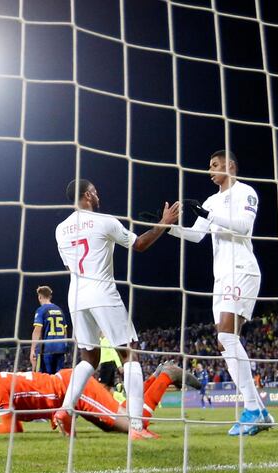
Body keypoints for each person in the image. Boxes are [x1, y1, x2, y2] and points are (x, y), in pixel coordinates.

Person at [54, 178, 180, 439]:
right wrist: (164, 224)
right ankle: (136, 426)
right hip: (102, 291)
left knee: (89, 358)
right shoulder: (105, 221)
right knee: (129, 353)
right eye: (96, 192)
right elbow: (140, 244)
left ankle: (65, 410)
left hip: (76, 295)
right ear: (88, 194)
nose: (98, 196)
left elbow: (69, 266)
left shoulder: (60, 229)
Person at [168, 150, 272, 436]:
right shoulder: (211, 200)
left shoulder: (245, 192)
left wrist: (209, 214)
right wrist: (168, 229)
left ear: (231, 166)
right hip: (222, 276)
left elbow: (244, 227)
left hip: (242, 268)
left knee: (226, 336)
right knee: (226, 341)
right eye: (209, 166)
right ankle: (259, 410)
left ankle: (252, 409)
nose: (210, 170)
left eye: (214, 165)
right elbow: (197, 234)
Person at [0, 363, 197, 435]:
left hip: (74, 390)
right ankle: (155, 379)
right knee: (114, 424)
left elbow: (13, 430)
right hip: (67, 391)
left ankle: (166, 376)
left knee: (135, 426)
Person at [29, 286, 71, 374]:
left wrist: (33, 349)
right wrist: (65, 347)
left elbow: (37, 329)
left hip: (47, 350)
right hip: (60, 349)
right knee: (58, 378)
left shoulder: (41, 310)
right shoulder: (59, 310)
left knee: (44, 378)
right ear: (50, 296)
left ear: (39, 297)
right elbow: (65, 331)